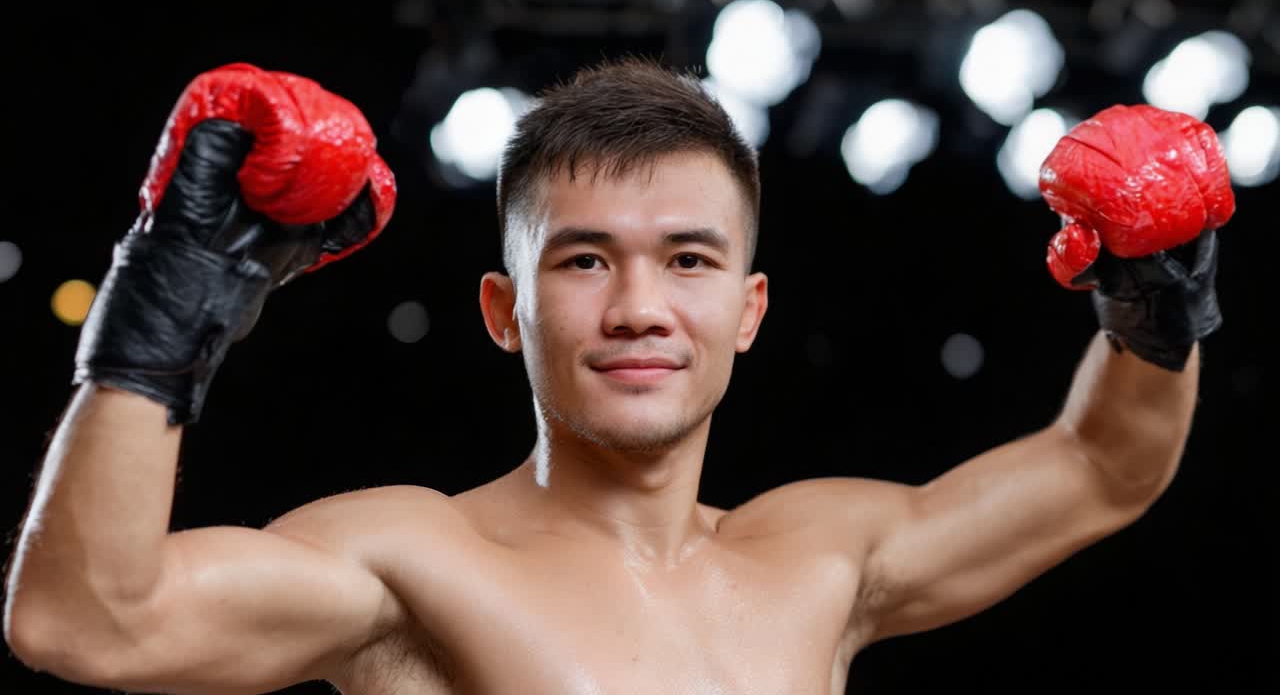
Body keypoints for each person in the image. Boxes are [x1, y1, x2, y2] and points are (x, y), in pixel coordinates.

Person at [3, 57, 1229, 694]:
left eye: (687, 259)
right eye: (585, 260)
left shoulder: (821, 558)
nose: (639, 307)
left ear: (747, 311)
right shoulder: (413, 562)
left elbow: (1103, 465)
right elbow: (85, 620)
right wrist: (161, 317)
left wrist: (1154, 292)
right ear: (504, 311)